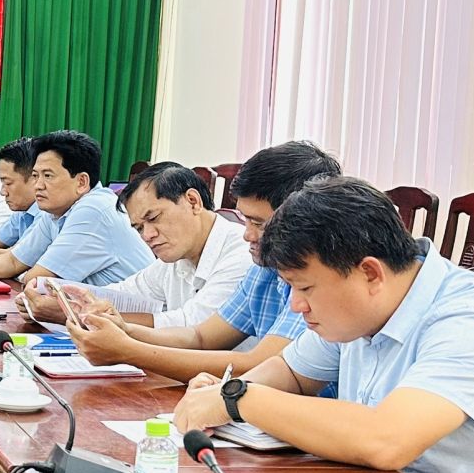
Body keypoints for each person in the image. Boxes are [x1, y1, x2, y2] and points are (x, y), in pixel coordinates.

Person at [172, 177, 474, 473]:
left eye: (305, 288)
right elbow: (291, 372)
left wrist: (238, 398)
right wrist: (220, 395)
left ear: (369, 273)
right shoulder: (359, 308)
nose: (296, 305)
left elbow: (387, 440)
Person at [66, 141, 341, 383]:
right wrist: (124, 330)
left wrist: (129, 350)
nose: (247, 235)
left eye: (259, 223)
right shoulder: (263, 269)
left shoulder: (321, 281)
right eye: (245, 220)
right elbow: (201, 337)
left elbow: (263, 367)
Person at [21, 162, 250, 329]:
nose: (147, 235)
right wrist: (62, 297)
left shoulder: (241, 252)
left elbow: (195, 327)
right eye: (139, 228)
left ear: (192, 201)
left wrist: (75, 314)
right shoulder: (174, 258)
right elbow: (122, 294)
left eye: (154, 218)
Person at [0, 130, 151, 286]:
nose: (37, 185)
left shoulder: (94, 210)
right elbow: (12, 261)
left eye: (48, 176)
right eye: (35, 175)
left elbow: (36, 280)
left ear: (81, 182)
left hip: (133, 327)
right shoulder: (56, 210)